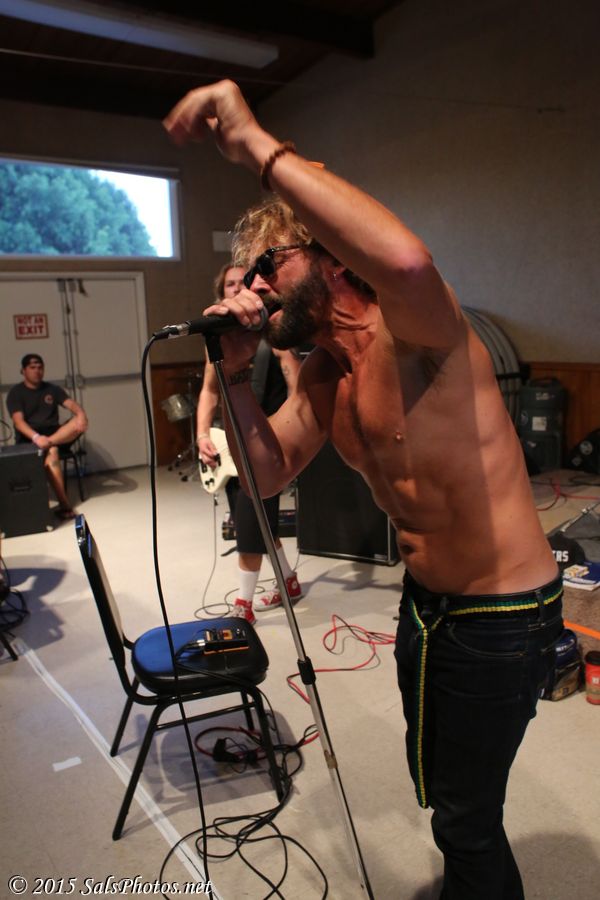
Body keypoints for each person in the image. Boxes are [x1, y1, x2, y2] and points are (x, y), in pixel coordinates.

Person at [164, 81, 562, 899]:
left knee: (467, 820)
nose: (252, 291)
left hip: (502, 613)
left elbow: (407, 258)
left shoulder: (419, 332)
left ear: (331, 257)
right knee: (444, 795)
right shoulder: (322, 374)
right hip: (426, 604)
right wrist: (232, 375)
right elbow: (267, 472)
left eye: (267, 268)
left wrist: (255, 142)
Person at [196, 262, 303, 624]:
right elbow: (209, 391)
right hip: (230, 446)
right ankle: (289, 581)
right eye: (228, 284)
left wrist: (283, 430)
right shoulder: (219, 341)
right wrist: (202, 435)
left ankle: (243, 606)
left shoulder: (273, 334)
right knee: (260, 524)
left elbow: (298, 391)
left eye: (240, 283)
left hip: (264, 446)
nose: (235, 289)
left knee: (248, 524)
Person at [6, 354, 88, 519]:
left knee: (77, 422)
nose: (37, 371)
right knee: (53, 452)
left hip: (55, 437)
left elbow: (72, 405)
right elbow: (18, 422)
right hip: (30, 441)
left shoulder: (52, 389)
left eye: (40, 367)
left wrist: (81, 415)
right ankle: (65, 505)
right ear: (23, 371)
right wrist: (37, 438)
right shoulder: (16, 393)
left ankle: (50, 442)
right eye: (32, 367)